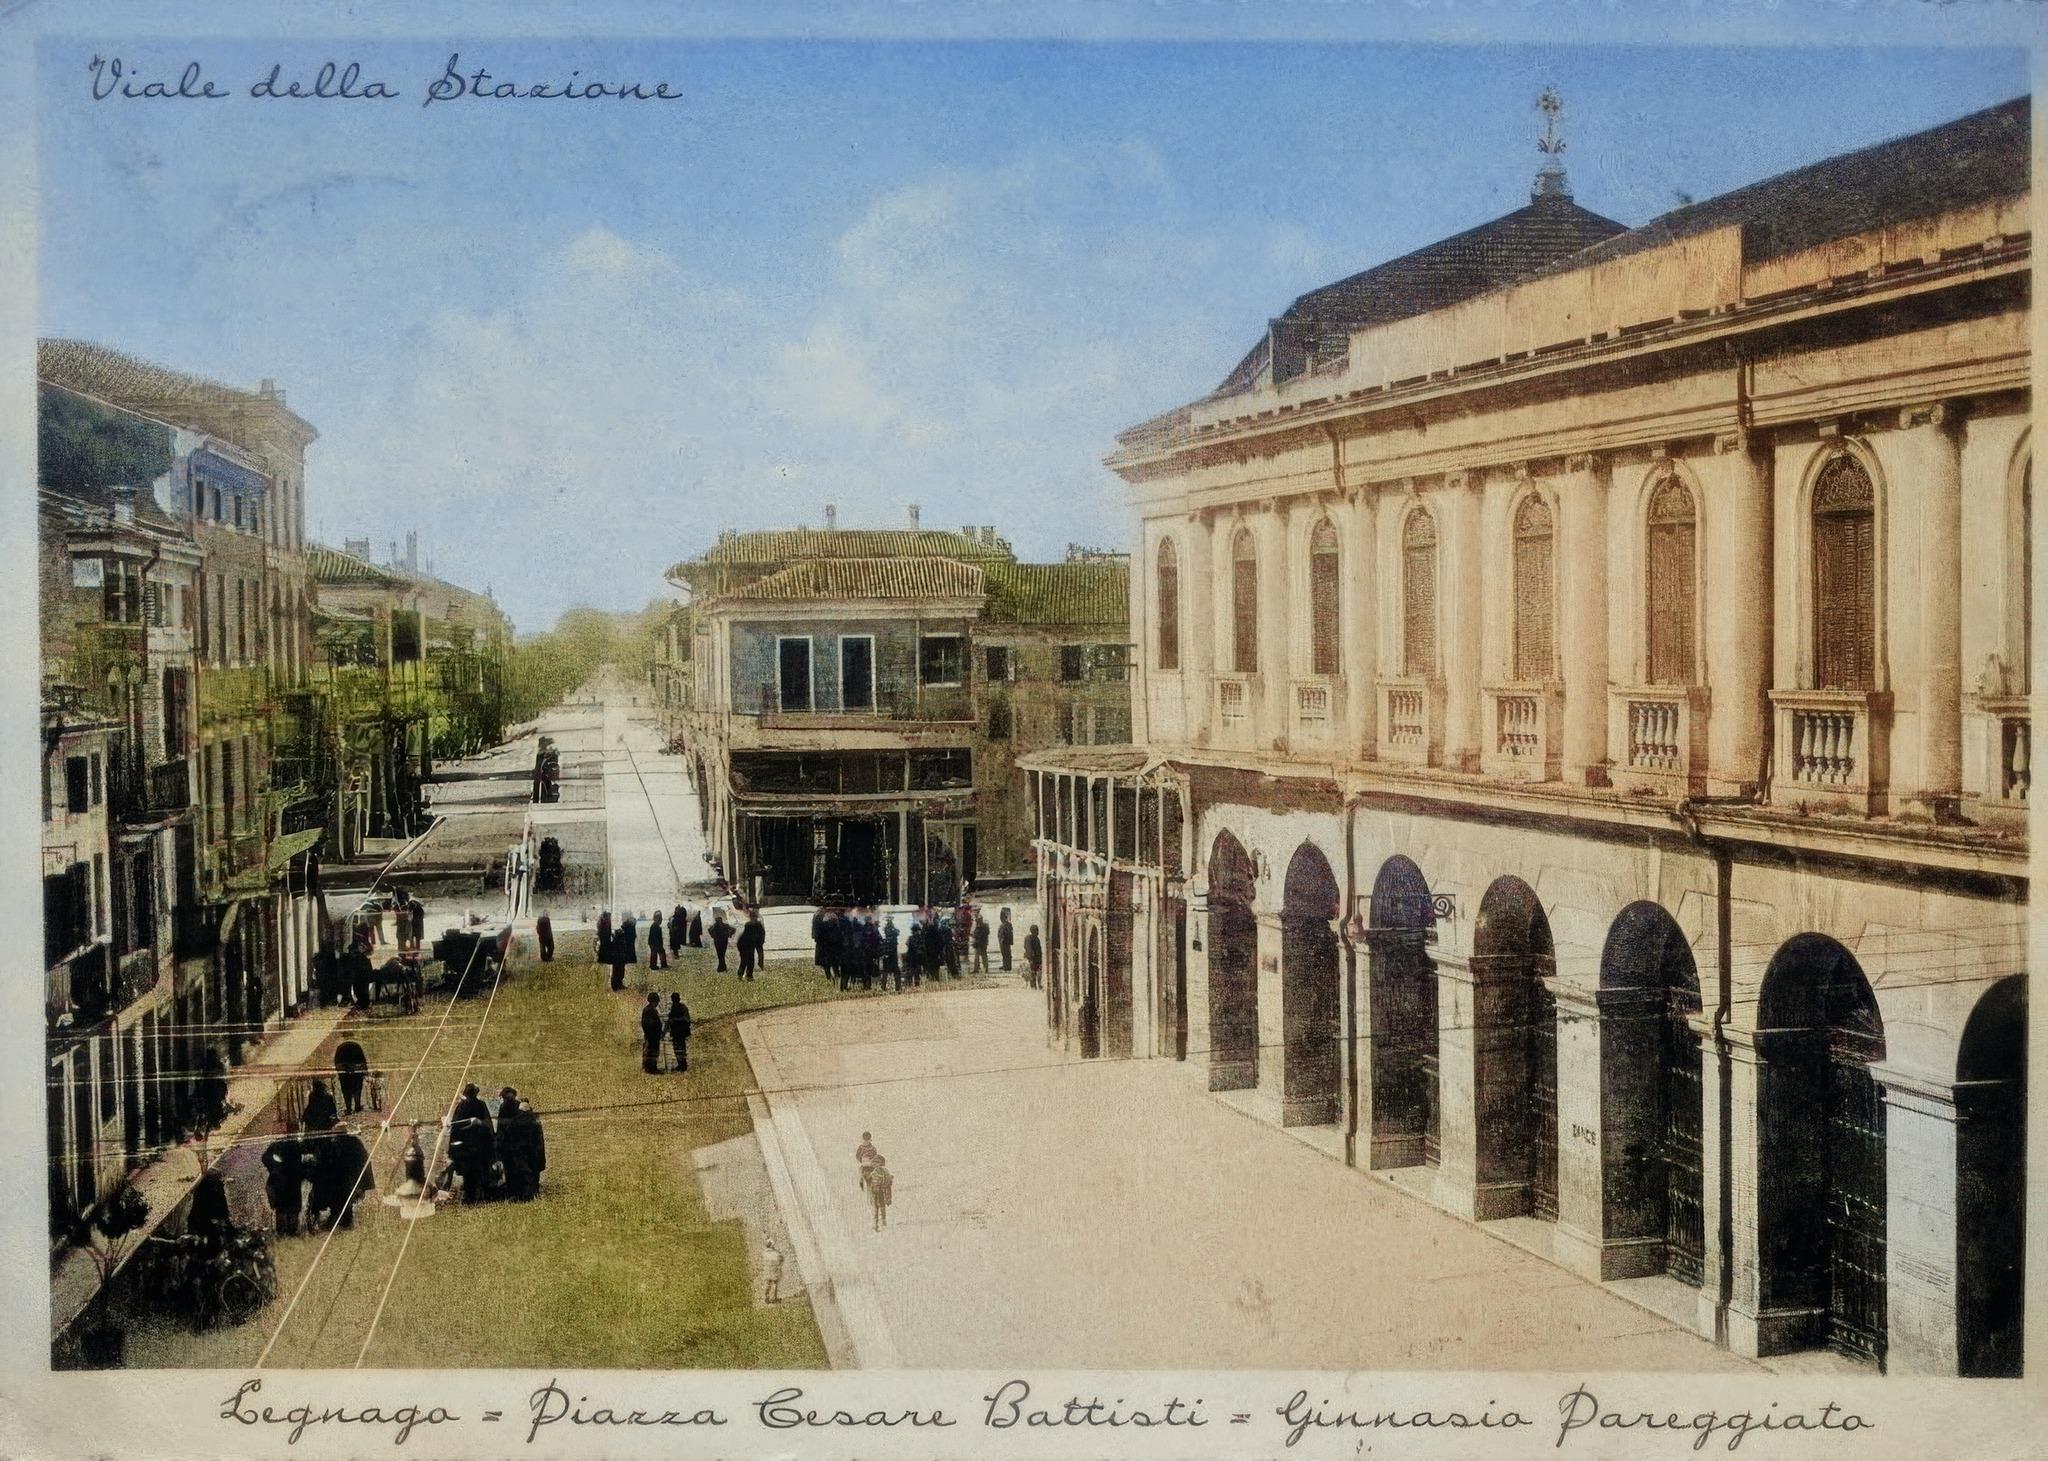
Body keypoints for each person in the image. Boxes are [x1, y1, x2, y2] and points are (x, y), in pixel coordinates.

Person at [307, 1122, 374, 1230]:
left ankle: (336, 1225)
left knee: (342, 1207)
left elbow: (362, 1163)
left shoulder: (352, 1144)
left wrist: (360, 1185)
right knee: (335, 1205)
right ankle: (334, 1225)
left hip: (347, 1182)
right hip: (335, 1182)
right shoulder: (331, 1145)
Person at [448, 1082, 496, 1204]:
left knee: (472, 1174)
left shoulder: (465, 1106)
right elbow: (487, 1125)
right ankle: (476, 1197)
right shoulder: (472, 1105)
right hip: (475, 1147)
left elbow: (455, 1127)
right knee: (476, 1173)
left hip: (472, 1147)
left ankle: (473, 1198)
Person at [496, 1087, 543, 1200]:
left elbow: (502, 1128)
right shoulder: (517, 1107)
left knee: (515, 1169)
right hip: (518, 1144)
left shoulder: (510, 1108)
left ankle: (517, 1192)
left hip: (515, 1144)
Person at [261, 1129, 305, 1236]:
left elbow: (265, 1159)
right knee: (285, 1207)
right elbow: (266, 1159)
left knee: (287, 1207)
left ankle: (288, 1231)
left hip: (287, 1181)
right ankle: (286, 1231)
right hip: (285, 1181)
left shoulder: (287, 1145)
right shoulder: (291, 1145)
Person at [334, 1039, 369, 1115]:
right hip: (356, 1072)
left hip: (344, 1073)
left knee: (346, 1091)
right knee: (357, 1089)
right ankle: (357, 1106)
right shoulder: (356, 1046)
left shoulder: (341, 1047)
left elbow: (337, 1062)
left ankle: (349, 1108)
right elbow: (363, 1061)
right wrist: (364, 1070)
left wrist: (340, 1070)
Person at [862, 1156, 894, 1231]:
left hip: (880, 1192)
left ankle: (882, 1223)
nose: (876, 1164)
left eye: (878, 1163)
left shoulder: (883, 1171)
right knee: (876, 1208)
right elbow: (868, 1179)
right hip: (875, 1192)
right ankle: (876, 1224)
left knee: (880, 1207)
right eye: (875, 1162)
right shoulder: (872, 1171)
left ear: (881, 1163)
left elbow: (888, 1181)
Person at [665, 993, 693, 1073]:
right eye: (673, 999)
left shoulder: (682, 1007)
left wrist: (675, 1020)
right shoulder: (673, 1008)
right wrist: (664, 1032)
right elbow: (669, 1021)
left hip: (681, 1033)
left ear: (678, 999)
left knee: (681, 1049)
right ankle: (680, 1064)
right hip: (675, 1033)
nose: (673, 1000)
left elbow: (687, 1019)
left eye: (675, 998)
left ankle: (683, 1065)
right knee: (676, 1049)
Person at [736, 909, 765, 980]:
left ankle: (746, 974)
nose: (753, 918)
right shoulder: (750, 925)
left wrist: (759, 943)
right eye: (753, 917)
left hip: (747, 943)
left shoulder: (756, 925)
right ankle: (745, 974)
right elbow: (758, 936)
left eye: (754, 917)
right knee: (746, 959)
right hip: (744, 944)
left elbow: (761, 935)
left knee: (748, 959)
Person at [640, 993, 664, 1074]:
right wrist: (655, 1032)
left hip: (651, 1035)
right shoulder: (650, 1010)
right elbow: (650, 1023)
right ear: (653, 1001)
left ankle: (650, 1068)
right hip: (652, 1035)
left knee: (650, 1051)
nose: (658, 1003)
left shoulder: (648, 1009)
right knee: (652, 1051)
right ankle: (651, 1068)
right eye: (657, 1001)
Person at [615, 914, 639, 991]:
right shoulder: (625, 929)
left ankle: (618, 983)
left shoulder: (627, 927)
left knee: (620, 968)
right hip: (622, 951)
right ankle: (617, 984)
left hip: (623, 951)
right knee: (619, 968)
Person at [762, 1238, 785, 1304]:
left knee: (767, 1284)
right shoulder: (775, 1253)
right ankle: (774, 1298)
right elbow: (781, 1259)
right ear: (771, 1246)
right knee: (775, 1284)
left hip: (767, 1270)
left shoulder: (765, 1253)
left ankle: (766, 1297)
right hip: (774, 1271)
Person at [882, 916, 901, 990]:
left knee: (886, 971)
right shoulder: (892, 931)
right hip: (892, 954)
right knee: (896, 971)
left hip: (887, 954)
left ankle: (883, 987)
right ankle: (898, 987)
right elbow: (897, 932)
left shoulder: (886, 930)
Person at [971, 909, 991, 974]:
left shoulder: (981, 927)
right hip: (983, 943)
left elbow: (978, 935)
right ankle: (984, 969)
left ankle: (977, 969)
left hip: (979, 943)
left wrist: (974, 936)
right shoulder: (984, 926)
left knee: (978, 957)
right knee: (983, 956)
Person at [1023, 924, 1043, 990]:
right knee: (1033, 972)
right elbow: (1028, 949)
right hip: (1033, 959)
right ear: (1033, 931)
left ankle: (1037, 985)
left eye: (1037, 930)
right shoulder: (1030, 938)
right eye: (1036, 930)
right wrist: (1030, 958)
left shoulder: (1036, 939)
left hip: (1037, 959)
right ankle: (1034, 986)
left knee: (1037, 972)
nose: (1037, 932)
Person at [998, 907, 1015, 971]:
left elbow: (1008, 933)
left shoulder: (1007, 924)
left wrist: (1004, 939)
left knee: (1007, 954)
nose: (1001, 918)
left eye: (1002, 917)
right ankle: (1005, 965)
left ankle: (1007, 966)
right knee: (1004, 954)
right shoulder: (1004, 924)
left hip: (1005, 941)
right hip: (1003, 941)